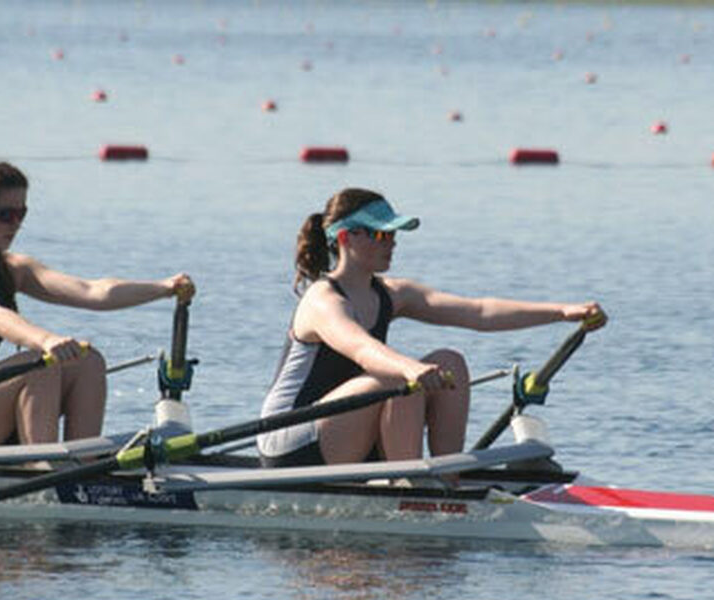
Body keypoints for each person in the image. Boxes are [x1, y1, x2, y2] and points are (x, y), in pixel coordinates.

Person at [257, 188, 606, 468]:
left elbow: (479, 311)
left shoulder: (393, 294)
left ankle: (447, 477)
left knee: (449, 361)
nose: (391, 241)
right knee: (399, 378)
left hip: (340, 431)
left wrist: (562, 311)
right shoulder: (322, 299)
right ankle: (409, 485)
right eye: (381, 233)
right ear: (346, 237)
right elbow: (362, 348)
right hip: (288, 440)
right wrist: (412, 369)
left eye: (393, 233)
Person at [0, 161, 195, 450]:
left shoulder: (14, 269)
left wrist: (164, 288)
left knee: (88, 361)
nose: (15, 224)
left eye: (21, 214)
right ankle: (43, 469)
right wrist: (47, 341)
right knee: (39, 364)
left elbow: (93, 291)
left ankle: (82, 468)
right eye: (4, 214)